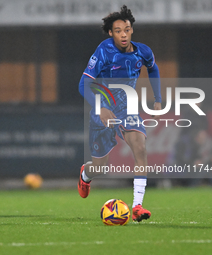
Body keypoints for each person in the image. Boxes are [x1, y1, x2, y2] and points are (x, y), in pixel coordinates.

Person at [77, 5, 162, 222]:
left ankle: (137, 206)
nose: (123, 34)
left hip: (127, 109)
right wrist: (101, 107)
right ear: (110, 33)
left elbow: (153, 68)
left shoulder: (143, 52)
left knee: (140, 148)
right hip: (102, 110)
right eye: (118, 31)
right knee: (100, 168)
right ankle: (86, 174)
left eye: (126, 29)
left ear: (132, 30)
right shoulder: (104, 52)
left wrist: (158, 99)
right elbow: (83, 84)